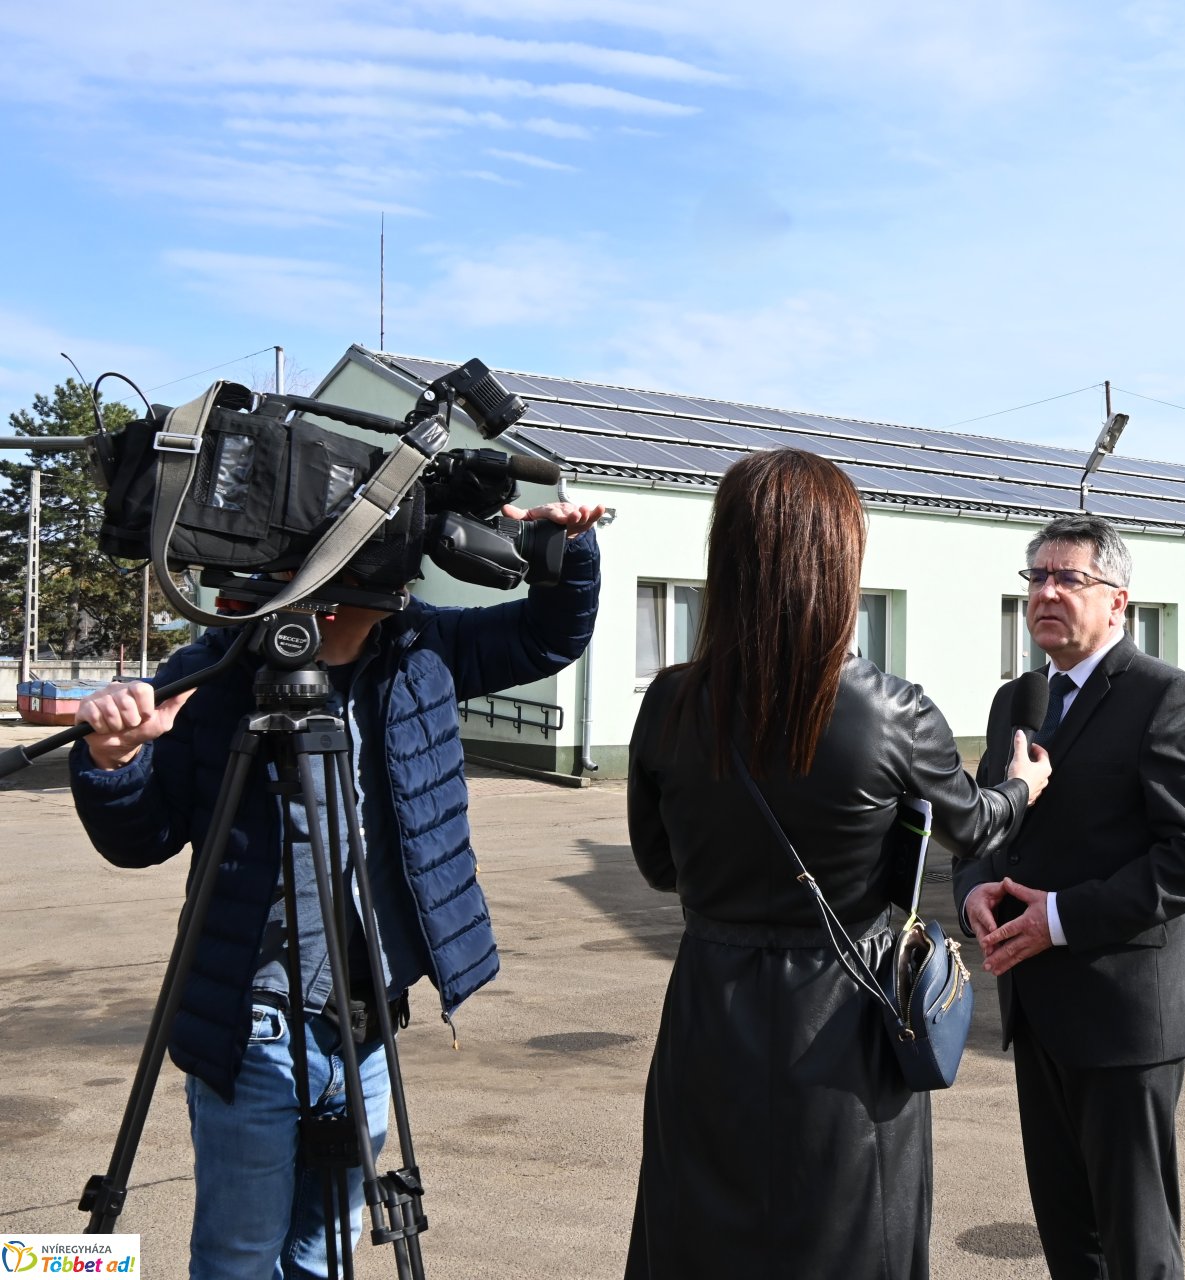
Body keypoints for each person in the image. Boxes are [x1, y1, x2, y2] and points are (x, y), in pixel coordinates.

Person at [67, 499, 604, 1280]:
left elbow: (549, 633)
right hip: (251, 1030)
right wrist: (113, 765)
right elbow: (141, 838)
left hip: (369, 1022)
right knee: (240, 1257)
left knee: (330, 1254)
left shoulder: (423, 649)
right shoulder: (218, 674)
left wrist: (564, 548)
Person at [624, 448, 1052, 1280]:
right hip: (846, 1012)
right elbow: (970, 828)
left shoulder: (672, 700)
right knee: (853, 1240)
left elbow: (657, 865)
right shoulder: (893, 710)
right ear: (838, 559)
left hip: (708, 1008)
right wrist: (1022, 786)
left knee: (699, 1236)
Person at [954, 513, 1185, 1280]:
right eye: (1035, 577)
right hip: (1036, 1005)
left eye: (1067, 578)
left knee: (1136, 1243)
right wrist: (975, 889)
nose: (1046, 592)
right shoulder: (1015, 701)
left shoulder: (1169, 699)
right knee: (1068, 1235)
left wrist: (1059, 917)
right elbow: (985, 827)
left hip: (1126, 1013)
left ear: (1118, 602)